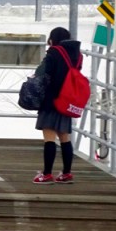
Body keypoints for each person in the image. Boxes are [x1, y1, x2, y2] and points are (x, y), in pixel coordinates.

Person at [32, 25, 82, 184]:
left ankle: (46, 174)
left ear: (52, 40)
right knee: (65, 138)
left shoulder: (53, 53)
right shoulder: (77, 55)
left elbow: (42, 73)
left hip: (51, 100)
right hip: (67, 100)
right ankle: (66, 173)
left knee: (49, 139)